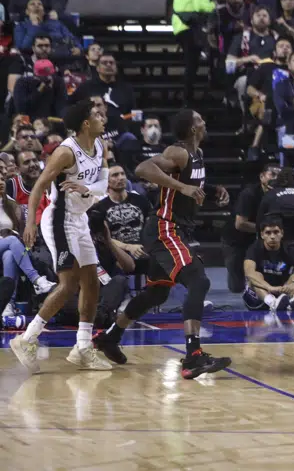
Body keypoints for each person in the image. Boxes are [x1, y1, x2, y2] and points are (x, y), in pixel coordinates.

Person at [91, 110, 232, 379]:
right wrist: (182, 188)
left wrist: (211, 190)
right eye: (200, 119)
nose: (204, 121)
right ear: (192, 128)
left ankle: (111, 337)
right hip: (165, 228)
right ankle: (193, 356)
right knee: (198, 281)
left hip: (172, 228)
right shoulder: (178, 151)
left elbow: (190, 184)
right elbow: (143, 168)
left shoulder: (196, 155)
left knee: (157, 293)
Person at [10, 99, 112, 373]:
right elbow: (38, 186)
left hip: (80, 220)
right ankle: (26, 338)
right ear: (85, 124)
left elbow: (104, 184)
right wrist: (30, 222)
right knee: (68, 285)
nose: (103, 117)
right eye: (97, 115)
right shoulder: (66, 153)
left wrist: (86, 188)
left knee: (92, 283)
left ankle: (82, 347)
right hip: (58, 220)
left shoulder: (100, 144)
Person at [242, 217, 294, 313]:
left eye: (276, 232)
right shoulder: (254, 248)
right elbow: (249, 273)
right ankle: (272, 302)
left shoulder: (290, 250)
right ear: (262, 235)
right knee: (255, 277)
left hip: (282, 293)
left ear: (282, 234)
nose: (272, 236)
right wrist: (269, 288)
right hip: (260, 295)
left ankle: (292, 302)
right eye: (268, 233)